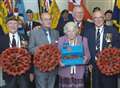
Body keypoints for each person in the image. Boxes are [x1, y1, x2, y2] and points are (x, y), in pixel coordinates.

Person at [83, 10, 120, 88]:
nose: (98, 20)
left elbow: (117, 47)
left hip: (108, 67)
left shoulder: (112, 30)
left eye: (100, 17)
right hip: (93, 67)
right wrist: (89, 63)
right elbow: (85, 49)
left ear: (104, 18)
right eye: (95, 18)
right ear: (92, 19)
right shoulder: (87, 32)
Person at [28, 12, 59, 88]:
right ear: (41, 21)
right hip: (40, 69)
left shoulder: (56, 32)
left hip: (53, 68)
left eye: (50, 19)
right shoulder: (34, 33)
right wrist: (42, 49)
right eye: (46, 19)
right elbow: (30, 49)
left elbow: (58, 49)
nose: (48, 21)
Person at [58, 22, 90, 88]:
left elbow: (88, 55)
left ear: (76, 31)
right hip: (64, 72)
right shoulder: (61, 40)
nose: (71, 33)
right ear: (65, 32)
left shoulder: (83, 40)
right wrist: (59, 62)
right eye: (69, 31)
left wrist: (85, 59)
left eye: (73, 31)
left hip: (79, 72)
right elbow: (57, 55)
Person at [0, 15, 29, 88]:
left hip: (23, 73)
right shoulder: (1, 39)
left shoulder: (25, 37)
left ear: (18, 25)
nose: (13, 26)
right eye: (10, 23)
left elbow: (29, 55)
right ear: (6, 25)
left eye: (15, 23)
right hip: (8, 73)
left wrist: (31, 72)